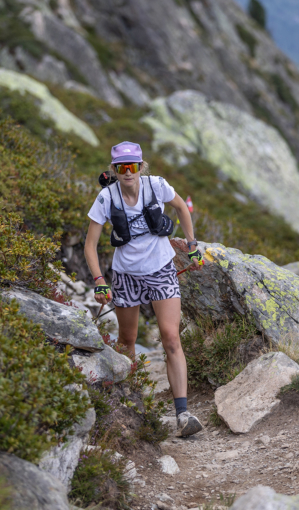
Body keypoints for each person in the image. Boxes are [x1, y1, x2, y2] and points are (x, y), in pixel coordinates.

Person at [84, 141, 205, 438]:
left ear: (141, 167)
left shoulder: (157, 186)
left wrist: (191, 246)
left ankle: (183, 414)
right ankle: (131, 407)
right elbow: (89, 245)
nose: (128, 172)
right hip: (126, 276)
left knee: (171, 337)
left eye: (133, 166)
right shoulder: (106, 198)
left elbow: (181, 209)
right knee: (127, 341)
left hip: (162, 268)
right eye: (122, 167)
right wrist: (100, 280)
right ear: (114, 170)